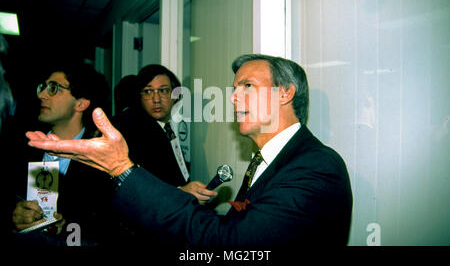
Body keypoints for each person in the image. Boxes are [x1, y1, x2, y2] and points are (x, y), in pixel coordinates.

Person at [26, 54, 353, 247]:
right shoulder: (267, 160)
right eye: (234, 88)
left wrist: (122, 169)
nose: (233, 97)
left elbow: (231, 244)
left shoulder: (317, 167)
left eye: (247, 86)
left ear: (285, 93)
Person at [9, 62, 114, 246]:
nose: (41, 95)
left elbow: (109, 225)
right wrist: (13, 215)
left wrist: (68, 227)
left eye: (53, 88)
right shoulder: (21, 145)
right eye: (43, 87)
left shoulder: (101, 160)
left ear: (81, 103)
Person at [112, 64, 216, 203]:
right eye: (148, 92)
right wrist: (180, 192)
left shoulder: (168, 127)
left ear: (175, 96)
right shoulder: (133, 129)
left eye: (163, 91)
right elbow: (137, 186)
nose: (156, 99)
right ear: (140, 96)